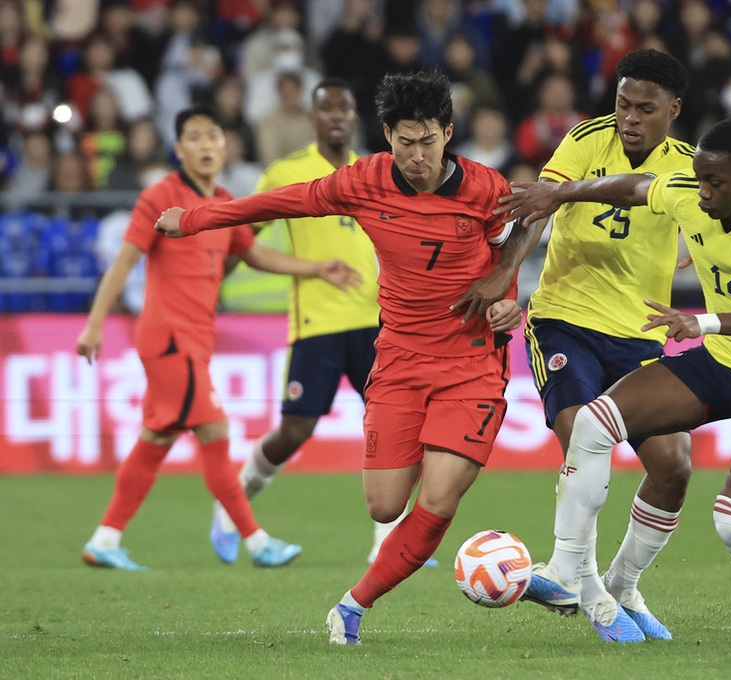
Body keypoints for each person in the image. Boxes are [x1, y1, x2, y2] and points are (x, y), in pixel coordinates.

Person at [154, 71, 536, 645]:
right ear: (386, 136)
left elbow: (521, 230)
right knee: (385, 507)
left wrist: (509, 300)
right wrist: (196, 218)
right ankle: (521, 574)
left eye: (427, 141)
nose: (416, 156)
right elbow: (286, 200)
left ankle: (353, 605)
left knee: (436, 497)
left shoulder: (484, 187)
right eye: (404, 142)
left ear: (448, 133)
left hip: (470, 359)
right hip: (400, 358)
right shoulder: (364, 181)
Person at [496, 119, 731, 644]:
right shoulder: (690, 192)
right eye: (698, 179)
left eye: (715, 183)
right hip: (724, 359)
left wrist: (705, 322)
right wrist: (558, 193)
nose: (702, 194)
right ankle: (569, 571)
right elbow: (631, 189)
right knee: (592, 425)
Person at [77, 104, 362, 571]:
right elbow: (126, 261)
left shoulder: (226, 201)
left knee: (156, 438)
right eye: (195, 137)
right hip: (170, 337)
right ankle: (256, 540)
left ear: (226, 146)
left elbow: (253, 256)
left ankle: (105, 538)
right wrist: (94, 324)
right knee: (215, 430)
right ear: (178, 148)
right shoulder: (159, 198)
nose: (207, 145)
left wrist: (317, 268)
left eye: (214, 136)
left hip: (194, 338)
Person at [208, 77, 436, 571]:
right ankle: (232, 506)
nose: (335, 116)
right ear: (311, 120)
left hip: (378, 323)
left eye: (343, 108)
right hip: (316, 322)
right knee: (295, 430)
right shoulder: (287, 173)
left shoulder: (379, 170)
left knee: (398, 427)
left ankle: (386, 544)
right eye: (325, 109)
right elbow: (243, 242)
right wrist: (305, 270)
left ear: (356, 118)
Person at [515, 49, 695, 644]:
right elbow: (537, 209)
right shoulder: (585, 138)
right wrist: (505, 276)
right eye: (623, 103)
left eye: (646, 108)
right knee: (580, 436)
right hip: (566, 319)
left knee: (673, 467)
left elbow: (711, 231)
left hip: (639, 337)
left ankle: (622, 583)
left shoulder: (692, 168)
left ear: (673, 110)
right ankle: (587, 592)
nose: (630, 118)